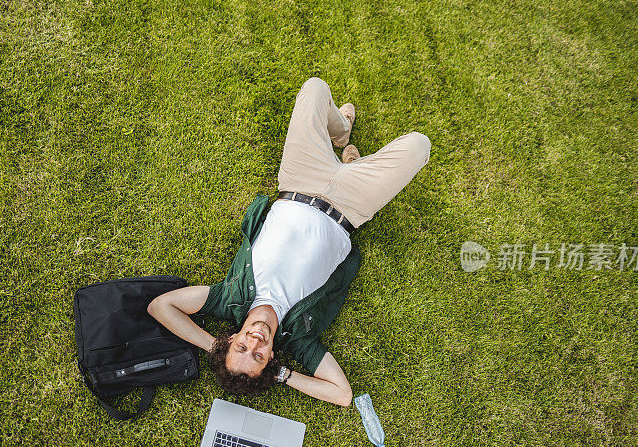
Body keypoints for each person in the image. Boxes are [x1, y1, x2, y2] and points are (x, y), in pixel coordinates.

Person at [148, 77, 431, 406]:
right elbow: (342, 395)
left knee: (315, 88)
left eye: (241, 347)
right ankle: (352, 165)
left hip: (300, 179)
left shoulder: (229, 298)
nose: (254, 342)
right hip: (350, 206)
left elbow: (160, 306)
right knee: (418, 145)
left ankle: (340, 133)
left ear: (232, 338)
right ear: (268, 358)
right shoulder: (298, 338)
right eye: (257, 357)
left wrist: (214, 347)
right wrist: (282, 374)